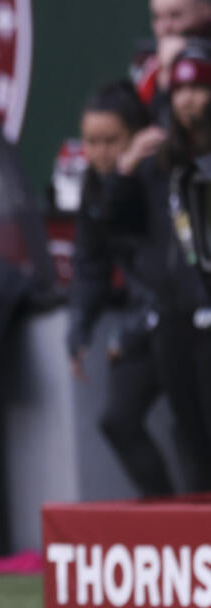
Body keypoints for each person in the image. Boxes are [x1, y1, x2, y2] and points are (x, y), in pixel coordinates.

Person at [109, 42, 211, 490]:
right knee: (189, 432)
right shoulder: (158, 157)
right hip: (171, 314)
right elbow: (117, 227)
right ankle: (196, 543)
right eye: (181, 88)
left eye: (198, 87)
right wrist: (125, 170)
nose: (188, 98)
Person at [67, 80, 175, 497]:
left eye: (111, 140)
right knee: (118, 420)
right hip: (144, 325)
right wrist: (79, 331)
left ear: (138, 135)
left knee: (194, 427)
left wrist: (128, 173)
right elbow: (89, 265)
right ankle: (168, 525)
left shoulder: (158, 173)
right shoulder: (97, 186)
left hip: (178, 318)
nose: (101, 152)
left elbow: (165, 267)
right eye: (91, 141)